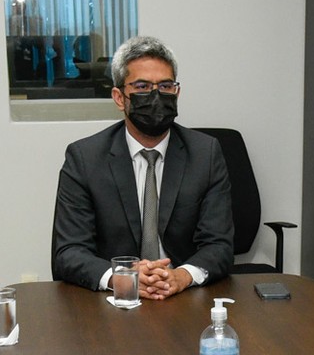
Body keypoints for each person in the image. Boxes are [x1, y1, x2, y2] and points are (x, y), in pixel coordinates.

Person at [50, 35, 234, 300]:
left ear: (177, 92)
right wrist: (123, 278)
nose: (155, 96)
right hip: (113, 302)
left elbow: (219, 244)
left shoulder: (206, 154)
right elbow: (68, 252)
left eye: (165, 86)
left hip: (183, 297)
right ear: (119, 97)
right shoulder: (84, 158)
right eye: (142, 86)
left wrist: (181, 276)